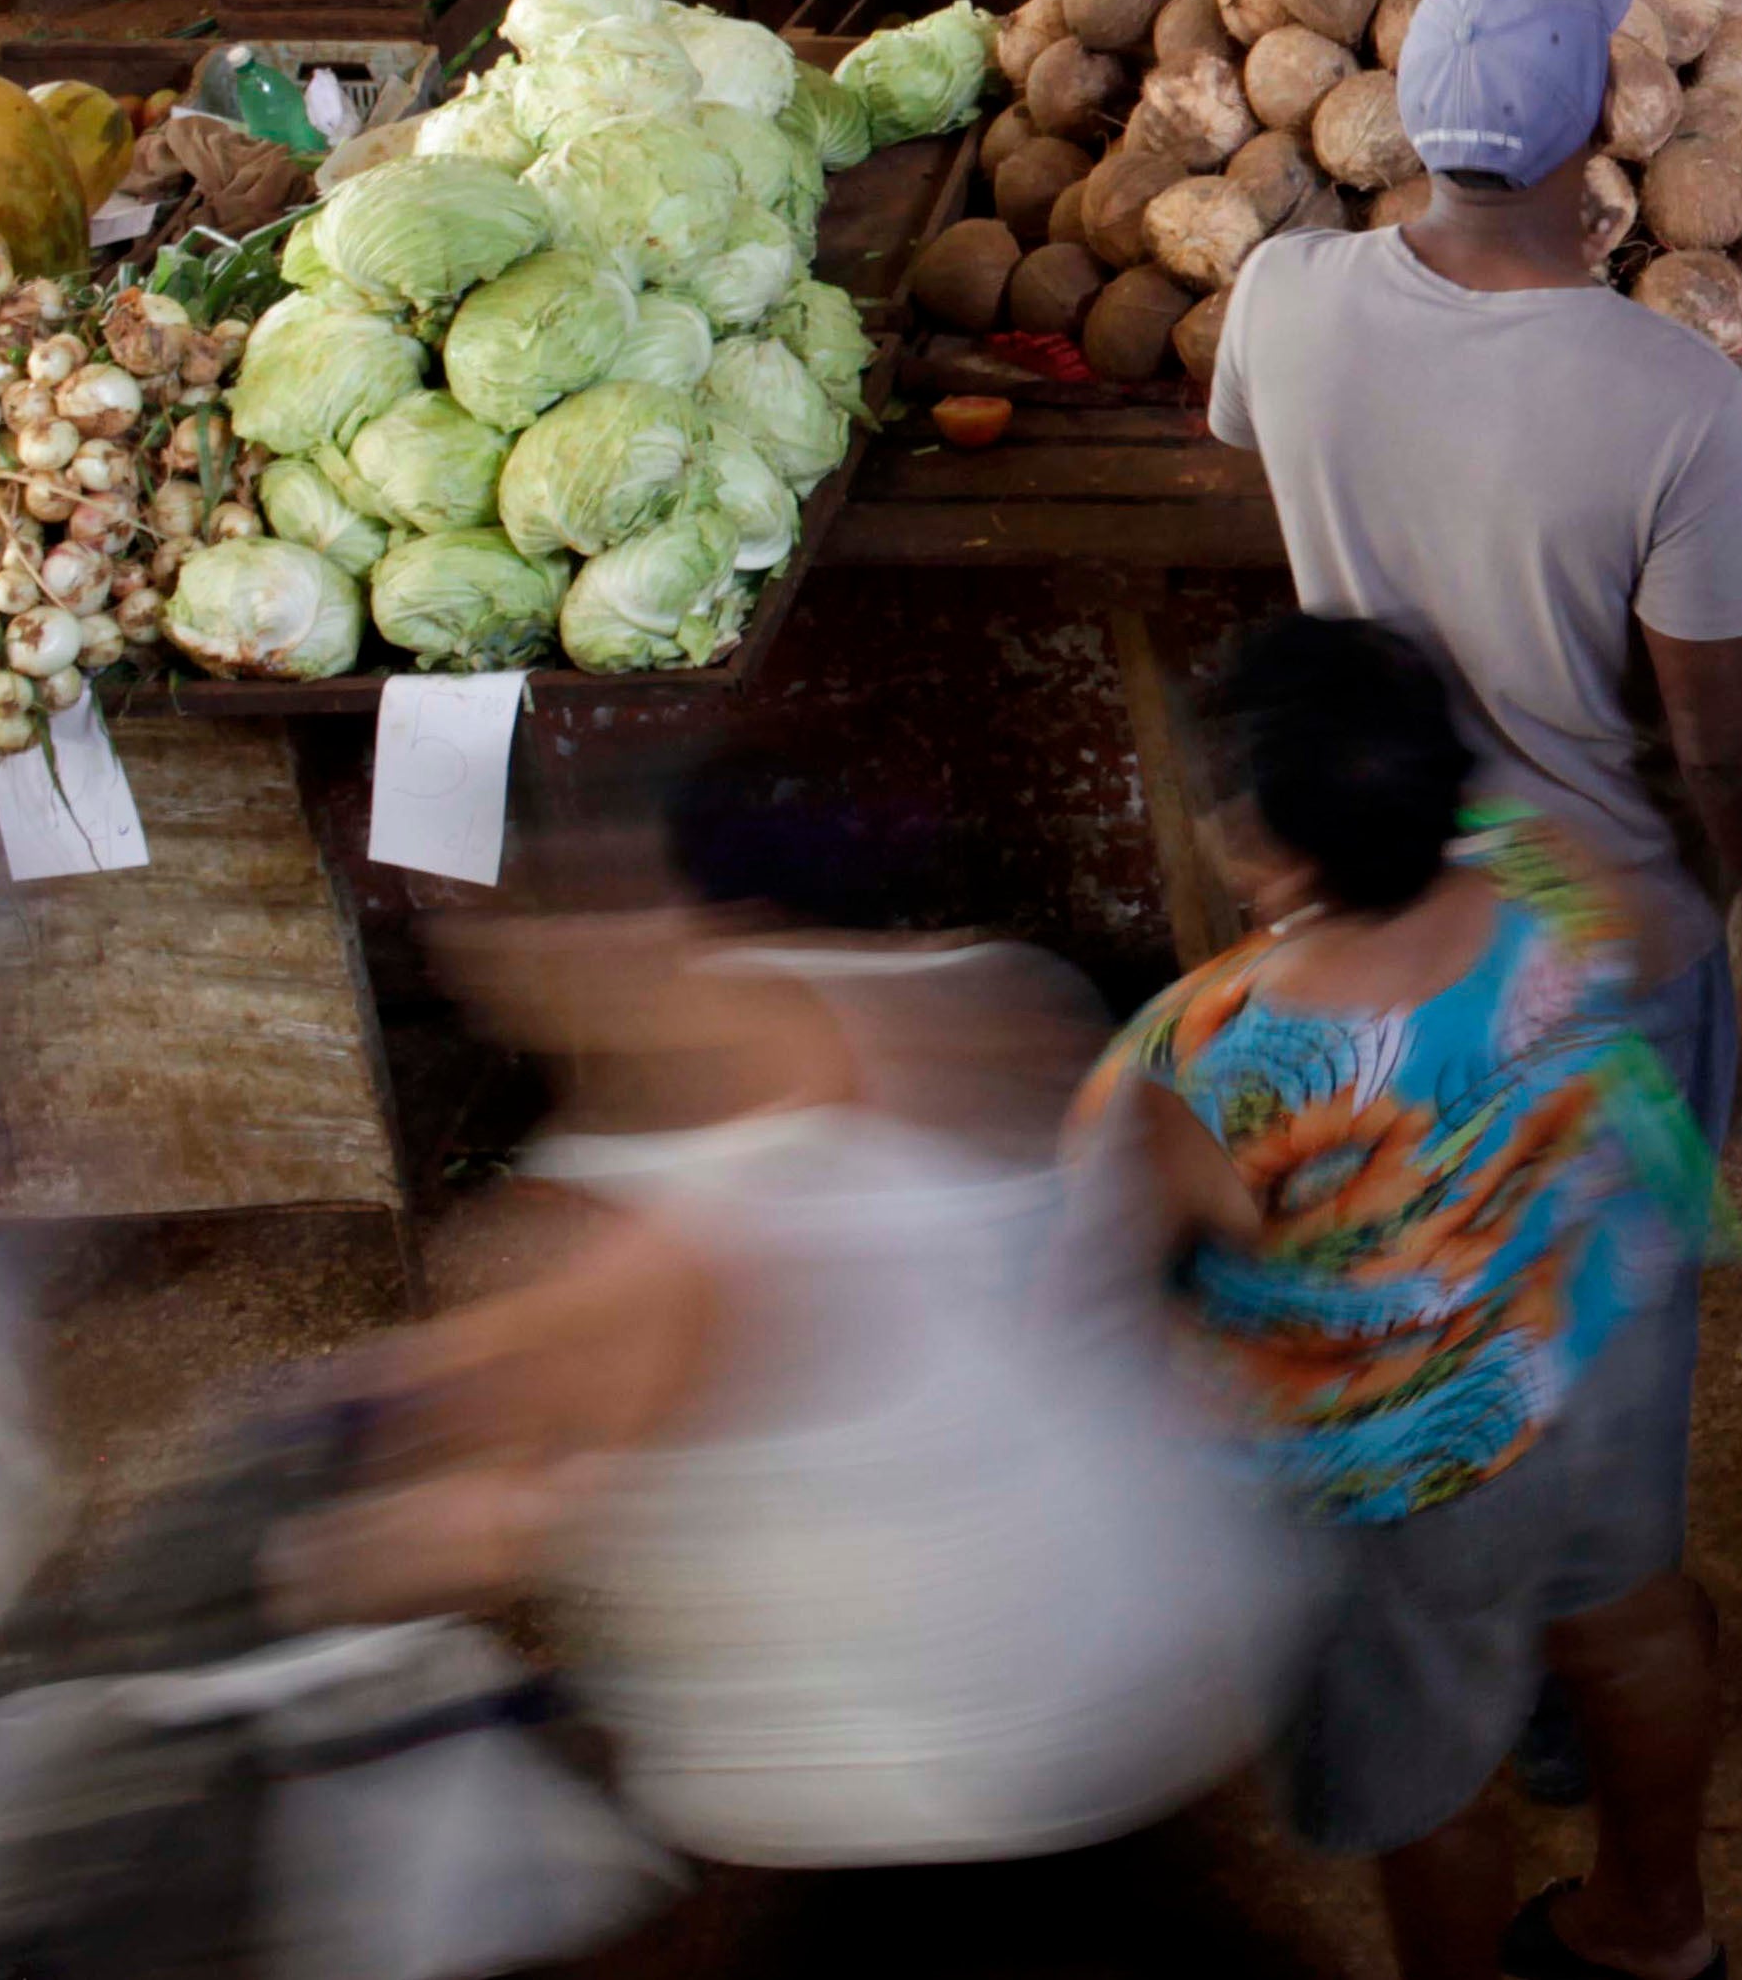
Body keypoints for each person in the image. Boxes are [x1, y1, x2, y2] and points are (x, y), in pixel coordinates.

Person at [1204, 0, 1742, 1970]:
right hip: (1596, 955)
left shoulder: (1286, 298)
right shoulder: (1662, 395)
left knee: (1399, 1344)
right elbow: (1730, 737)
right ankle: (1593, 1749)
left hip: (1365, 927)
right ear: (1599, 127)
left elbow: (1277, 504)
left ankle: (1459, 1671)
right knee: (1606, 1360)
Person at [263, 775, 1308, 1978]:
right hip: (1129, 1623)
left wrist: (339, 1537)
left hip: (944, 1748)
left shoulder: (673, 1210)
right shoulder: (973, 992)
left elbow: (523, 1488)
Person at [1083, 614, 1719, 1980]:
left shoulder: (1209, 1052)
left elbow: (1100, 1288)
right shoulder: (1549, 867)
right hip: (1584, 1340)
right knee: (1630, 1619)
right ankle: (1657, 1921)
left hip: (1401, 1469)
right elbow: (1623, 967)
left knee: (1426, 1781)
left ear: (1274, 854)